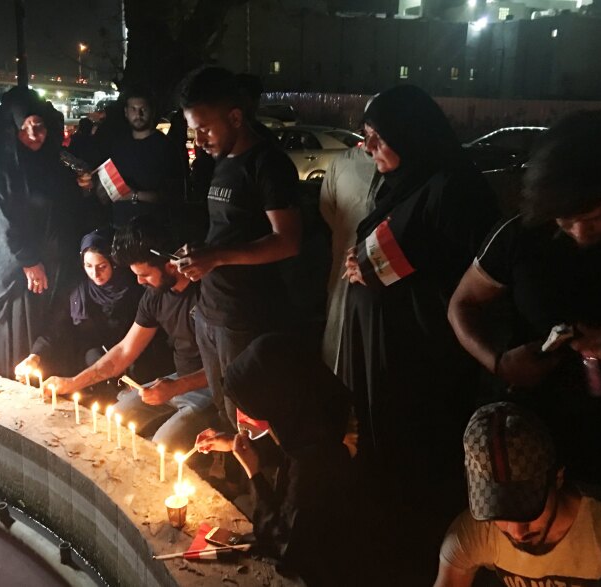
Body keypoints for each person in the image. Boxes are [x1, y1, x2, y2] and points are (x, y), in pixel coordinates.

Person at [447, 111, 601, 493]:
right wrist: (499, 362)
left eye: (597, 217)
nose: (579, 231)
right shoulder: (522, 232)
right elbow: (462, 305)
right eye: (564, 220)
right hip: (524, 432)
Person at [339, 85, 499, 582]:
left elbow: (472, 281)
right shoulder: (403, 181)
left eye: (376, 138)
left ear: (411, 134)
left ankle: (422, 558)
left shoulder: (455, 187)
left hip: (421, 357)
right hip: (381, 347)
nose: (368, 148)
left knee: (417, 458)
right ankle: (387, 545)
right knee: (381, 448)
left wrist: (381, 270)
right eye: (366, 137)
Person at [195, 333, 376, 586]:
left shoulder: (318, 460)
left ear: (278, 400)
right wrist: (228, 442)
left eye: (254, 408)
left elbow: (284, 542)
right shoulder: (322, 410)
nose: (245, 416)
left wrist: (254, 474)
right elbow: (290, 448)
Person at [178, 66, 302, 431]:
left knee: (253, 416)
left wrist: (215, 256)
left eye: (204, 128)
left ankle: (262, 484)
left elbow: (288, 241)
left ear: (235, 117)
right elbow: (229, 230)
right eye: (192, 129)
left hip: (246, 316)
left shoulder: (269, 164)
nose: (199, 139)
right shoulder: (222, 163)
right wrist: (202, 251)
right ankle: (234, 480)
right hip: (211, 309)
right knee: (224, 411)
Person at [44, 217, 216, 452]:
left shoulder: (209, 294)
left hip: (212, 389)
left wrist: (178, 387)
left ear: (170, 265)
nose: (139, 281)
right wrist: (73, 383)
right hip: (176, 381)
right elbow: (124, 351)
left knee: (162, 446)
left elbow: (226, 366)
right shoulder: (155, 295)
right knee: (114, 418)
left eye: (144, 274)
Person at [435, 402, 601, 587]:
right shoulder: (477, 533)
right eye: (500, 514)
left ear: (557, 478)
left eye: (527, 509)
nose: (516, 532)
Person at [0, 87, 79, 377]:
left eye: (39, 127)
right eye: (24, 128)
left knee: (48, 341)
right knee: (22, 340)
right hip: (22, 278)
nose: (34, 135)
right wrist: (27, 260)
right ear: (10, 130)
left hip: (51, 269)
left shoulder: (46, 161)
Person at [14, 227, 161, 379]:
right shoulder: (78, 289)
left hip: (134, 359)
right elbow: (55, 328)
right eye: (88, 266)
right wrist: (35, 356)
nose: (95, 274)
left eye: (102, 266)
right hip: (92, 364)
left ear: (114, 262)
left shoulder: (135, 288)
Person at [318, 143, 380, 371]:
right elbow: (329, 210)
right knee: (338, 328)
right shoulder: (342, 163)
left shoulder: (408, 166)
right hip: (344, 267)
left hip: (383, 275)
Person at [86, 87, 184, 229]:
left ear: (152, 111)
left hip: (155, 230)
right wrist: (100, 191)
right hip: (119, 228)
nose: (138, 114)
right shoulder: (118, 145)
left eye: (143, 108)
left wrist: (133, 195)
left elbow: (174, 195)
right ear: (126, 112)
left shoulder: (166, 147)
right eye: (133, 109)